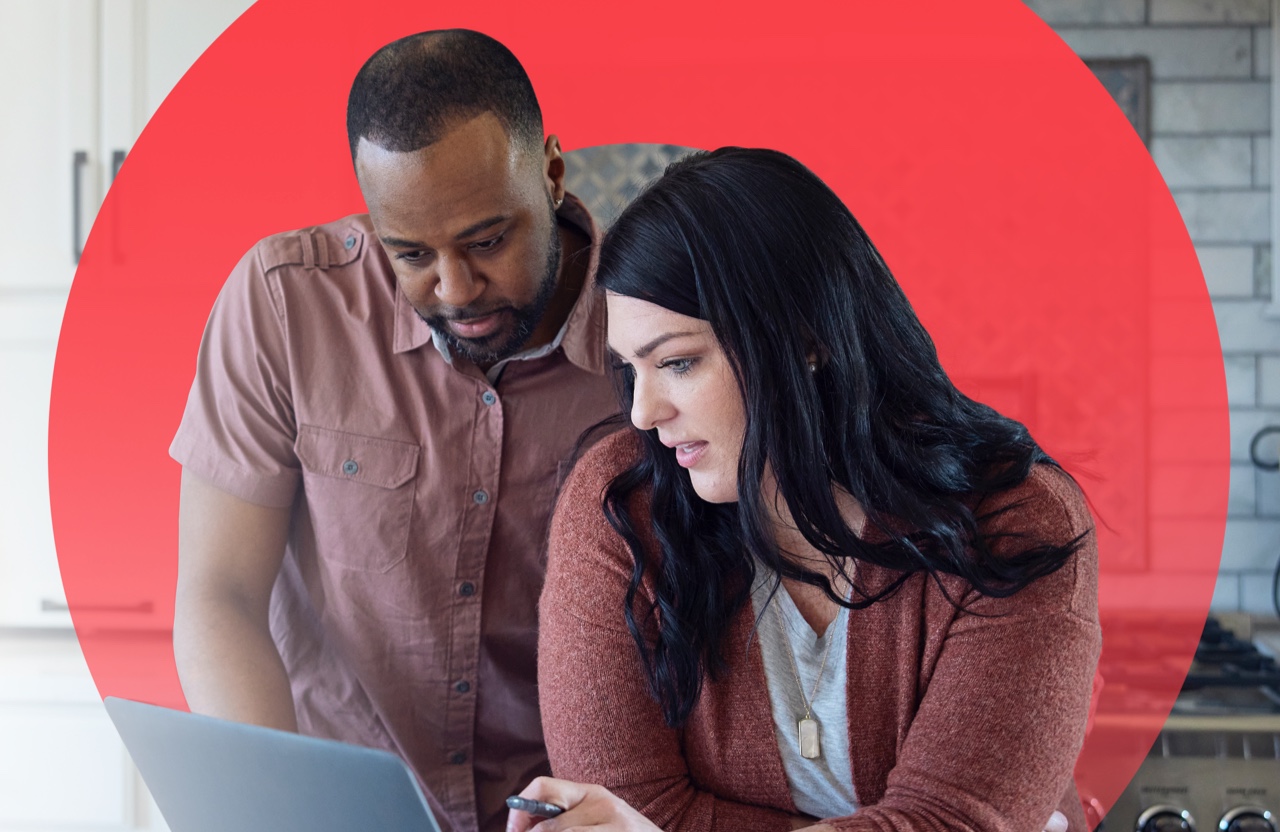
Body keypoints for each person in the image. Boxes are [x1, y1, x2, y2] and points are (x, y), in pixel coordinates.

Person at [510, 148, 1101, 831]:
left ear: (805, 338)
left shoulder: (1016, 521)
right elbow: (621, 811)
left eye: (677, 362)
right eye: (632, 369)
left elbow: (947, 823)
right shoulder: (618, 505)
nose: (644, 412)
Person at [168, 30, 616, 832]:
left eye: (487, 241)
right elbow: (220, 594)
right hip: (338, 812)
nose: (455, 289)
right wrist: (278, 809)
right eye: (410, 252)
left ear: (550, 172)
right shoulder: (282, 306)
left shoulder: (652, 334)